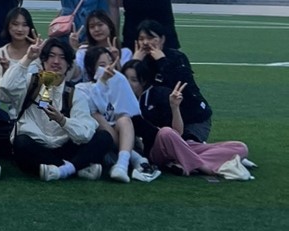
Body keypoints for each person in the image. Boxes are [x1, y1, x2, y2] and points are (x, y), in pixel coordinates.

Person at [0, 38, 113, 181]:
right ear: (43, 61)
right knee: (21, 143)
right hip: (36, 145)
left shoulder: (74, 93)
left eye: (62, 57)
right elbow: (6, 87)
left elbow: (85, 132)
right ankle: (76, 168)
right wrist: (28, 58)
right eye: (51, 56)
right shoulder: (31, 82)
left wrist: (63, 121)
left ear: (69, 64)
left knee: (104, 137)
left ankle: (62, 169)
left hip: (64, 146)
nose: (56, 62)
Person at [122, 61, 253, 179]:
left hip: (181, 145)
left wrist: (175, 107)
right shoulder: (124, 101)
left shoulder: (158, 94)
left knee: (240, 147)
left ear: (144, 81)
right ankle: (202, 167)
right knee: (165, 133)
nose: (128, 83)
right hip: (157, 151)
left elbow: (178, 133)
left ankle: (182, 163)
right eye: (125, 79)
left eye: (133, 80)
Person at [75, 46, 157, 183]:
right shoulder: (82, 88)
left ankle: (122, 166)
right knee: (97, 117)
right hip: (99, 139)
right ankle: (135, 158)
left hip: (124, 139)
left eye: (110, 63)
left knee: (124, 119)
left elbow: (130, 110)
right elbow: (94, 110)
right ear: (91, 68)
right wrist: (101, 82)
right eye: (102, 65)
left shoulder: (118, 84)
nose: (108, 68)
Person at [132, 19, 212, 141]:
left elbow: (183, 87)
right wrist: (134, 63)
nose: (146, 42)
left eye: (151, 38)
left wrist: (162, 61)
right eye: (141, 39)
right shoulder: (140, 62)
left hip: (193, 118)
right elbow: (129, 90)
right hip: (162, 119)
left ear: (162, 39)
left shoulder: (177, 58)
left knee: (186, 147)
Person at [0, 7, 38, 118]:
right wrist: (5, 72)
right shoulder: (1, 53)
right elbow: (1, 96)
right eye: (15, 24)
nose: (20, 29)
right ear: (8, 26)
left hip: (41, 108)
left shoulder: (38, 51)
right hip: (16, 113)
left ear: (30, 27)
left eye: (24, 25)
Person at [73, 10, 131, 74]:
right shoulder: (83, 52)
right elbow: (79, 75)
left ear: (110, 27)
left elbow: (126, 78)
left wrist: (116, 60)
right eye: (92, 27)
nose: (96, 29)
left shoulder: (125, 52)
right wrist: (74, 48)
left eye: (100, 25)